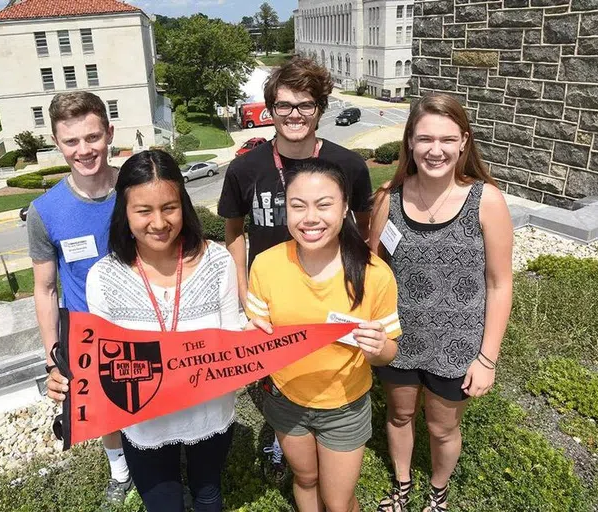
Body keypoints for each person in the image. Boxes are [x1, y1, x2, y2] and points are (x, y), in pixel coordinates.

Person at [218, 56, 374, 471]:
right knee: (275, 374)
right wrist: (243, 291)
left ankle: (339, 433)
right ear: (270, 110)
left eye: (306, 105)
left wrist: (365, 285)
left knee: (329, 369)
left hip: (333, 291)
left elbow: (365, 228)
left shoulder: (349, 166)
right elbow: (235, 233)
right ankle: (281, 433)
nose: (294, 115)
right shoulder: (244, 169)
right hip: (272, 295)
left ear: (320, 109)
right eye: (284, 105)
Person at [368, 94, 513, 512]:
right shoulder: (387, 199)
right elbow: (375, 270)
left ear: (464, 142)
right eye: (425, 138)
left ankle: (438, 492)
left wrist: (487, 359)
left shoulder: (486, 201)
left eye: (447, 139)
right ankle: (401, 483)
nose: (436, 150)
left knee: (442, 427)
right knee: (398, 417)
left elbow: (500, 283)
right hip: (398, 339)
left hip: (458, 344)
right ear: (409, 142)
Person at [73, 149, 238, 511]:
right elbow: (102, 362)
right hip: (144, 424)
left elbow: (233, 342)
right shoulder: (104, 276)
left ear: (185, 205)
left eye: (169, 208)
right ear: (124, 212)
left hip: (209, 415)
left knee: (209, 495)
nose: (159, 223)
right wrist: (72, 381)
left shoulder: (218, 261)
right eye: (143, 211)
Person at [245, 158, 401, 512]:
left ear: (345, 206)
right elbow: (257, 335)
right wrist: (249, 339)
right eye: (298, 206)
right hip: (286, 400)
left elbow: (389, 350)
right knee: (305, 479)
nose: (310, 218)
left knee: (338, 499)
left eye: (324, 204)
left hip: (344, 406)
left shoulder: (374, 274)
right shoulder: (265, 265)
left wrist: (378, 350)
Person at [27, 91, 132, 504]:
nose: (84, 150)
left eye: (92, 137)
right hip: (90, 334)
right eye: (71, 141)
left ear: (109, 133)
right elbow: (45, 287)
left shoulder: (138, 186)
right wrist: (53, 353)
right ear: (57, 142)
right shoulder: (45, 210)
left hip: (145, 323)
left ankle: (163, 459)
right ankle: (120, 473)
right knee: (105, 411)